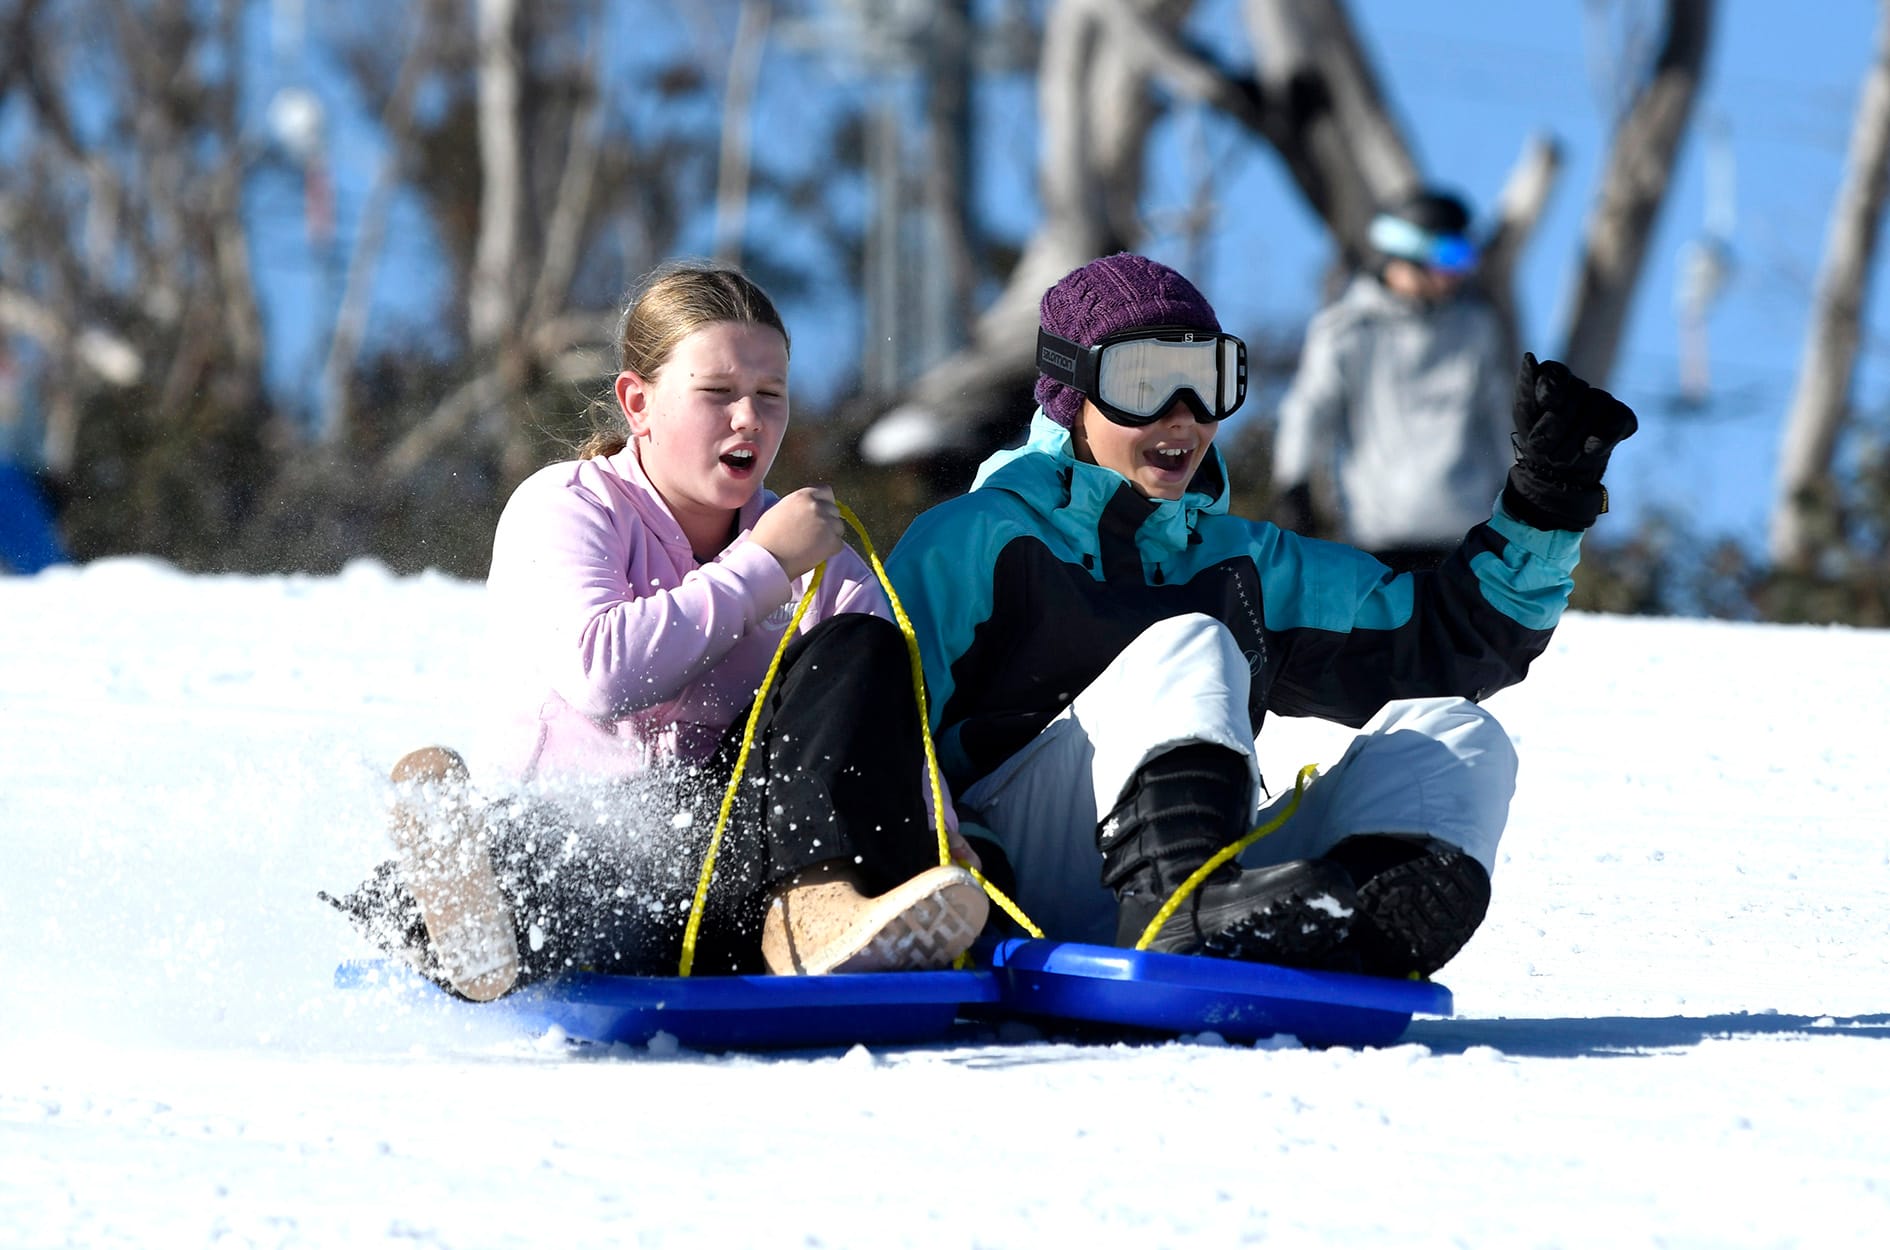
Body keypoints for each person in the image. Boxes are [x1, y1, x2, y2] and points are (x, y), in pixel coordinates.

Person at [885, 252, 1635, 978]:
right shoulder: (976, 538)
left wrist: (1546, 502)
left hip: (1205, 880)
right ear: (1070, 394)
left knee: (1458, 735)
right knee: (1190, 644)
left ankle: (1348, 929)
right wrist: (951, 867)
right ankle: (1179, 911)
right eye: (1143, 382)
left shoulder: (1238, 559)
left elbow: (1447, 639)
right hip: (1008, 880)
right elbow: (883, 725)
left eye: (1205, 380)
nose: (1182, 417)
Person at [325, 261, 986, 1001]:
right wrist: (759, 563)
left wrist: (944, 838)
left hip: (745, 879)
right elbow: (602, 674)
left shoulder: (819, 557)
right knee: (575, 874)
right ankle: (448, 900)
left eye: (771, 397)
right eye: (717, 394)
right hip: (590, 836)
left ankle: (819, 911)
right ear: (638, 403)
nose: (750, 420)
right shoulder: (568, 509)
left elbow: (889, 725)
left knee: (862, 650)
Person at [1271, 187, 1515, 574]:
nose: (1458, 272)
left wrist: (1520, 493)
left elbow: (1499, 417)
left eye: (1466, 257)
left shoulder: (1475, 329)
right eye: (1450, 256)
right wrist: (1294, 484)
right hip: (1379, 535)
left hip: (1464, 533)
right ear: (1409, 252)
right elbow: (1308, 408)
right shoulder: (1348, 329)